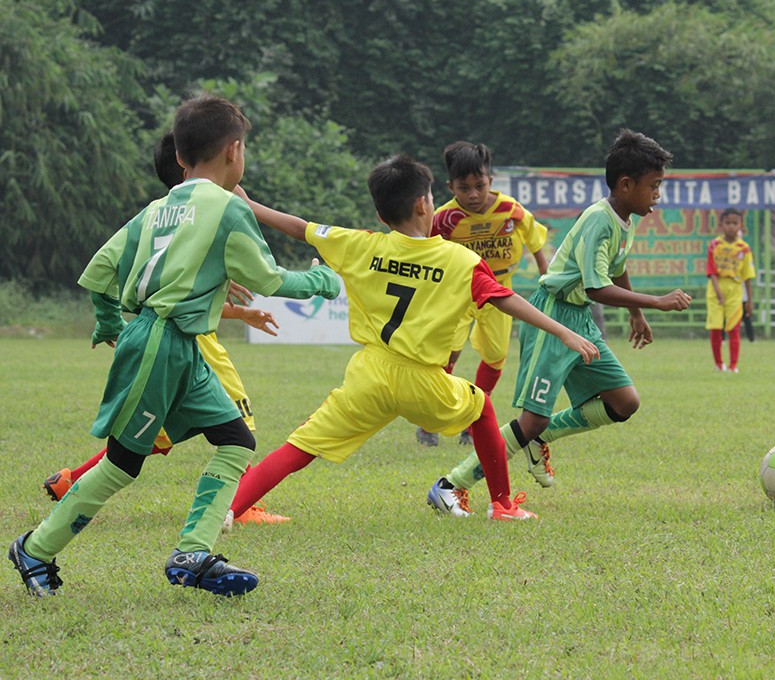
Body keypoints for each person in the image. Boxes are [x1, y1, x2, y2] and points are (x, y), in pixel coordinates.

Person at [8, 95, 340, 598]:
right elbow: (268, 279)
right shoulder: (228, 207)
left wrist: (105, 321)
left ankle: (193, 553)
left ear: (181, 158)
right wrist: (322, 279)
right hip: (162, 345)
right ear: (234, 151)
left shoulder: (157, 208)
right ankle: (35, 548)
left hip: (182, 346)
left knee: (236, 440)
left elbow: (99, 270)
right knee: (122, 464)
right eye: (244, 148)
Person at [224, 154, 599, 526]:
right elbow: (506, 299)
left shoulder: (361, 244)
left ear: (381, 216)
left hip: (369, 374)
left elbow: (299, 227)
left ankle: (228, 510)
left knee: (301, 447)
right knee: (481, 407)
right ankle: (502, 505)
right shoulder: (458, 260)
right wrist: (564, 331)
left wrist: (249, 203)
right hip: (422, 379)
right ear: (424, 204)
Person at [427, 129, 692, 515]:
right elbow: (598, 287)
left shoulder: (624, 220)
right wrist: (655, 302)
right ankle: (451, 484)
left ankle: (541, 437)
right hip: (552, 314)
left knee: (624, 402)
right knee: (530, 419)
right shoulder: (599, 220)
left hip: (578, 318)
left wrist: (635, 313)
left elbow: (615, 269)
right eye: (654, 186)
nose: (658, 194)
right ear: (625, 184)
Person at [41, 132, 290, 529]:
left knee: (157, 434)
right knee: (239, 425)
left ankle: (70, 480)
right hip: (188, 343)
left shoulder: (165, 218)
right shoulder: (203, 216)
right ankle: (240, 506)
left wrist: (240, 315)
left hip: (176, 336)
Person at [415, 141, 549, 447]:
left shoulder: (511, 210)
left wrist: (546, 276)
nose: (473, 194)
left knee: (495, 358)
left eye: (480, 185)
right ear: (451, 186)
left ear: (490, 180)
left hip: (500, 293)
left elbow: (536, 241)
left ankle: (474, 419)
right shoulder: (443, 218)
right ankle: (430, 419)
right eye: (464, 188)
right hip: (457, 292)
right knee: (445, 353)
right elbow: (425, 252)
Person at [705, 208, 755, 373]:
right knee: (716, 327)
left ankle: (733, 366)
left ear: (741, 225)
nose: (731, 227)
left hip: (735, 289)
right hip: (716, 287)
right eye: (728, 223)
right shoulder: (714, 245)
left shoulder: (744, 248)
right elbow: (711, 271)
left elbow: (747, 275)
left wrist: (749, 301)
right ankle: (719, 364)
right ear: (721, 225)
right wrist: (718, 292)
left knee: (734, 328)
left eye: (735, 223)